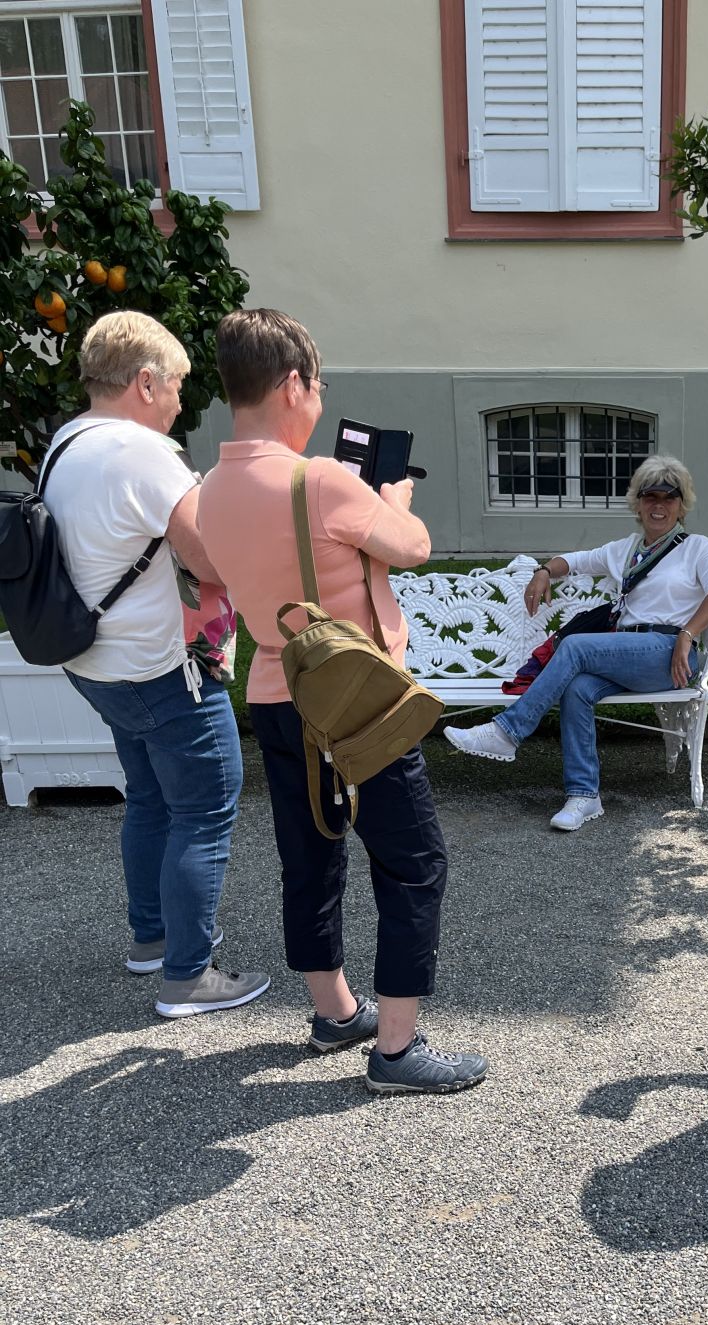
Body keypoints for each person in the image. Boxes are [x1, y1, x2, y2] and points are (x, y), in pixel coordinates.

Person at [198, 308, 489, 1095]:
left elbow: (220, 569)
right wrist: (393, 498)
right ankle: (396, 1051)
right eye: (318, 386)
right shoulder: (323, 480)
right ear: (293, 384)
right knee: (414, 863)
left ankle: (334, 1011)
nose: (319, 398)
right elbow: (413, 547)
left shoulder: (208, 490)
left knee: (309, 856)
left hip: (275, 694)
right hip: (358, 701)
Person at [45, 311, 268, 1017]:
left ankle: (153, 937)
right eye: (174, 385)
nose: (177, 401)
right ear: (144, 382)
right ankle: (189, 975)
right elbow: (212, 559)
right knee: (205, 806)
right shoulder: (143, 454)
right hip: (161, 665)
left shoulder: (65, 444)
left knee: (149, 798)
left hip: (96, 660)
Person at [444, 455, 708, 828]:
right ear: (638, 503)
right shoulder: (627, 550)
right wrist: (544, 570)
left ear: (682, 504)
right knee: (578, 688)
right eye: (650, 496)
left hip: (668, 654)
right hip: (626, 654)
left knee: (576, 646)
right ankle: (583, 796)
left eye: (669, 497)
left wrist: (687, 633)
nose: (659, 506)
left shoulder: (697, 547)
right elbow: (576, 560)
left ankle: (507, 732)